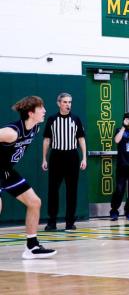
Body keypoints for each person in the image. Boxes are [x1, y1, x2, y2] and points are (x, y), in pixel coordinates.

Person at [0, 96, 57, 259]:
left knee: (34, 202)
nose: (45, 111)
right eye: (41, 108)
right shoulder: (12, 132)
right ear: (31, 113)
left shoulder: (35, 128)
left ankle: (31, 247)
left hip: (6, 171)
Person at [42, 92, 87, 231]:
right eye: (65, 102)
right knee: (53, 190)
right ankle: (52, 222)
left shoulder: (76, 119)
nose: (68, 105)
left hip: (72, 156)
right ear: (59, 103)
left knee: (71, 191)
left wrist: (84, 157)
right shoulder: (51, 119)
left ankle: (70, 222)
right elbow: (47, 140)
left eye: (70, 102)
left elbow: (81, 139)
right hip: (56, 156)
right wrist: (44, 158)